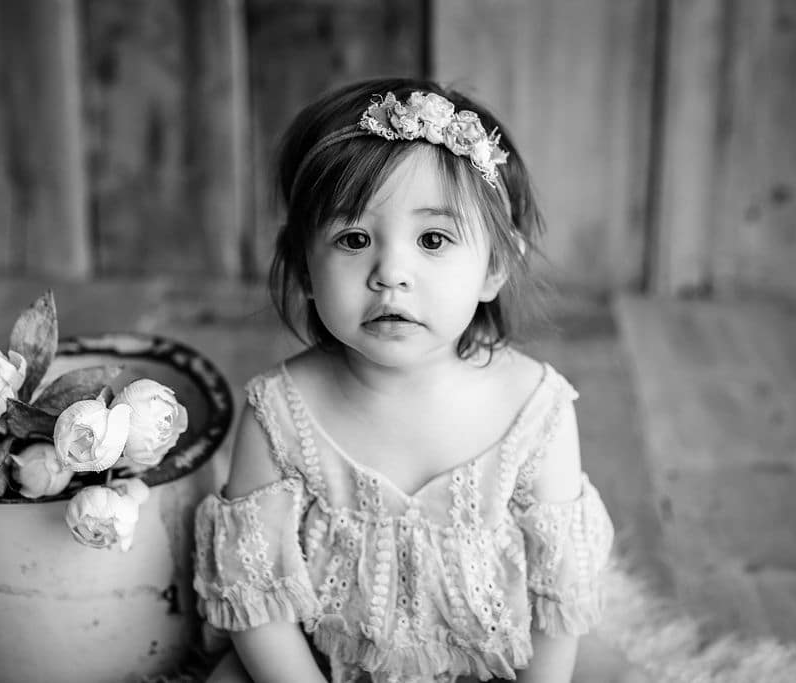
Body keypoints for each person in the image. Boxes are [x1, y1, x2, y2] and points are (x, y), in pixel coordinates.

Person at [193, 77, 614, 683]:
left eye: (433, 239)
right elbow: (255, 594)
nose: (391, 272)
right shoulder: (279, 411)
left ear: (495, 267)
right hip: (322, 661)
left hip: (488, 662)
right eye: (354, 239)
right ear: (305, 269)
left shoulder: (535, 410)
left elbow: (558, 603)